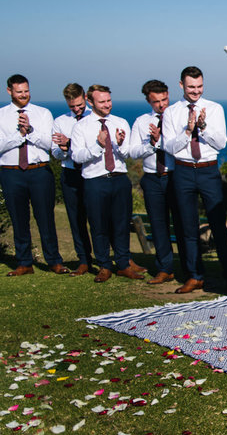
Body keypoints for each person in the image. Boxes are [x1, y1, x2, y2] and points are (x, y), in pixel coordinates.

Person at [162, 66, 227, 294]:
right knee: (187, 227)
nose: (195, 91)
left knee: (219, 225)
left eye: (199, 86)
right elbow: (169, 147)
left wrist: (203, 128)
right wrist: (188, 131)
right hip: (183, 171)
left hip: (208, 171)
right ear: (181, 85)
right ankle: (194, 276)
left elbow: (221, 143)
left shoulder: (215, 109)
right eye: (191, 87)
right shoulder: (171, 113)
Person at [70, 85, 144, 283]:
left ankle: (123, 265)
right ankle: (104, 266)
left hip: (119, 179)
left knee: (121, 224)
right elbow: (77, 156)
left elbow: (127, 153)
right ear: (90, 101)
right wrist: (98, 145)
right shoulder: (81, 127)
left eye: (109, 100)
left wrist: (119, 144)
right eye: (102, 102)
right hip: (95, 182)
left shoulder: (120, 122)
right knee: (98, 225)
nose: (107, 105)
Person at [0, 74, 68, 276]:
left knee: (46, 218)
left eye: (26, 91)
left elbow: (50, 144)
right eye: (19, 92)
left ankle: (54, 261)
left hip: (39, 171)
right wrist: (18, 135)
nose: (23, 95)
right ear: (9, 91)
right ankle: (24, 263)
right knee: (18, 219)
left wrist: (30, 131)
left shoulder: (43, 113)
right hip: (11, 172)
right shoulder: (1, 115)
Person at [130, 79, 188, 285]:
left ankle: (189, 270)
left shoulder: (178, 118)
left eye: (164, 99)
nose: (162, 105)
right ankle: (165, 268)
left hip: (175, 175)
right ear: (148, 101)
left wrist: (164, 142)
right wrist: (152, 144)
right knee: (158, 224)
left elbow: (184, 146)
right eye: (156, 102)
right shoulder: (140, 122)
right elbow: (133, 151)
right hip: (152, 177)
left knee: (182, 223)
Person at [51, 83, 94, 276]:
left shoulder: (96, 118)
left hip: (92, 172)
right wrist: (63, 150)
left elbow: (95, 148)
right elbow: (54, 152)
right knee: (76, 219)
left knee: (99, 218)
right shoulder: (60, 121)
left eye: (79, 105)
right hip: (70, 174)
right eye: (72, 107)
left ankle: (110, 259)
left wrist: (70, 144)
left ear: (85, 97)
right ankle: (84, 260)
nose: (76, 109)